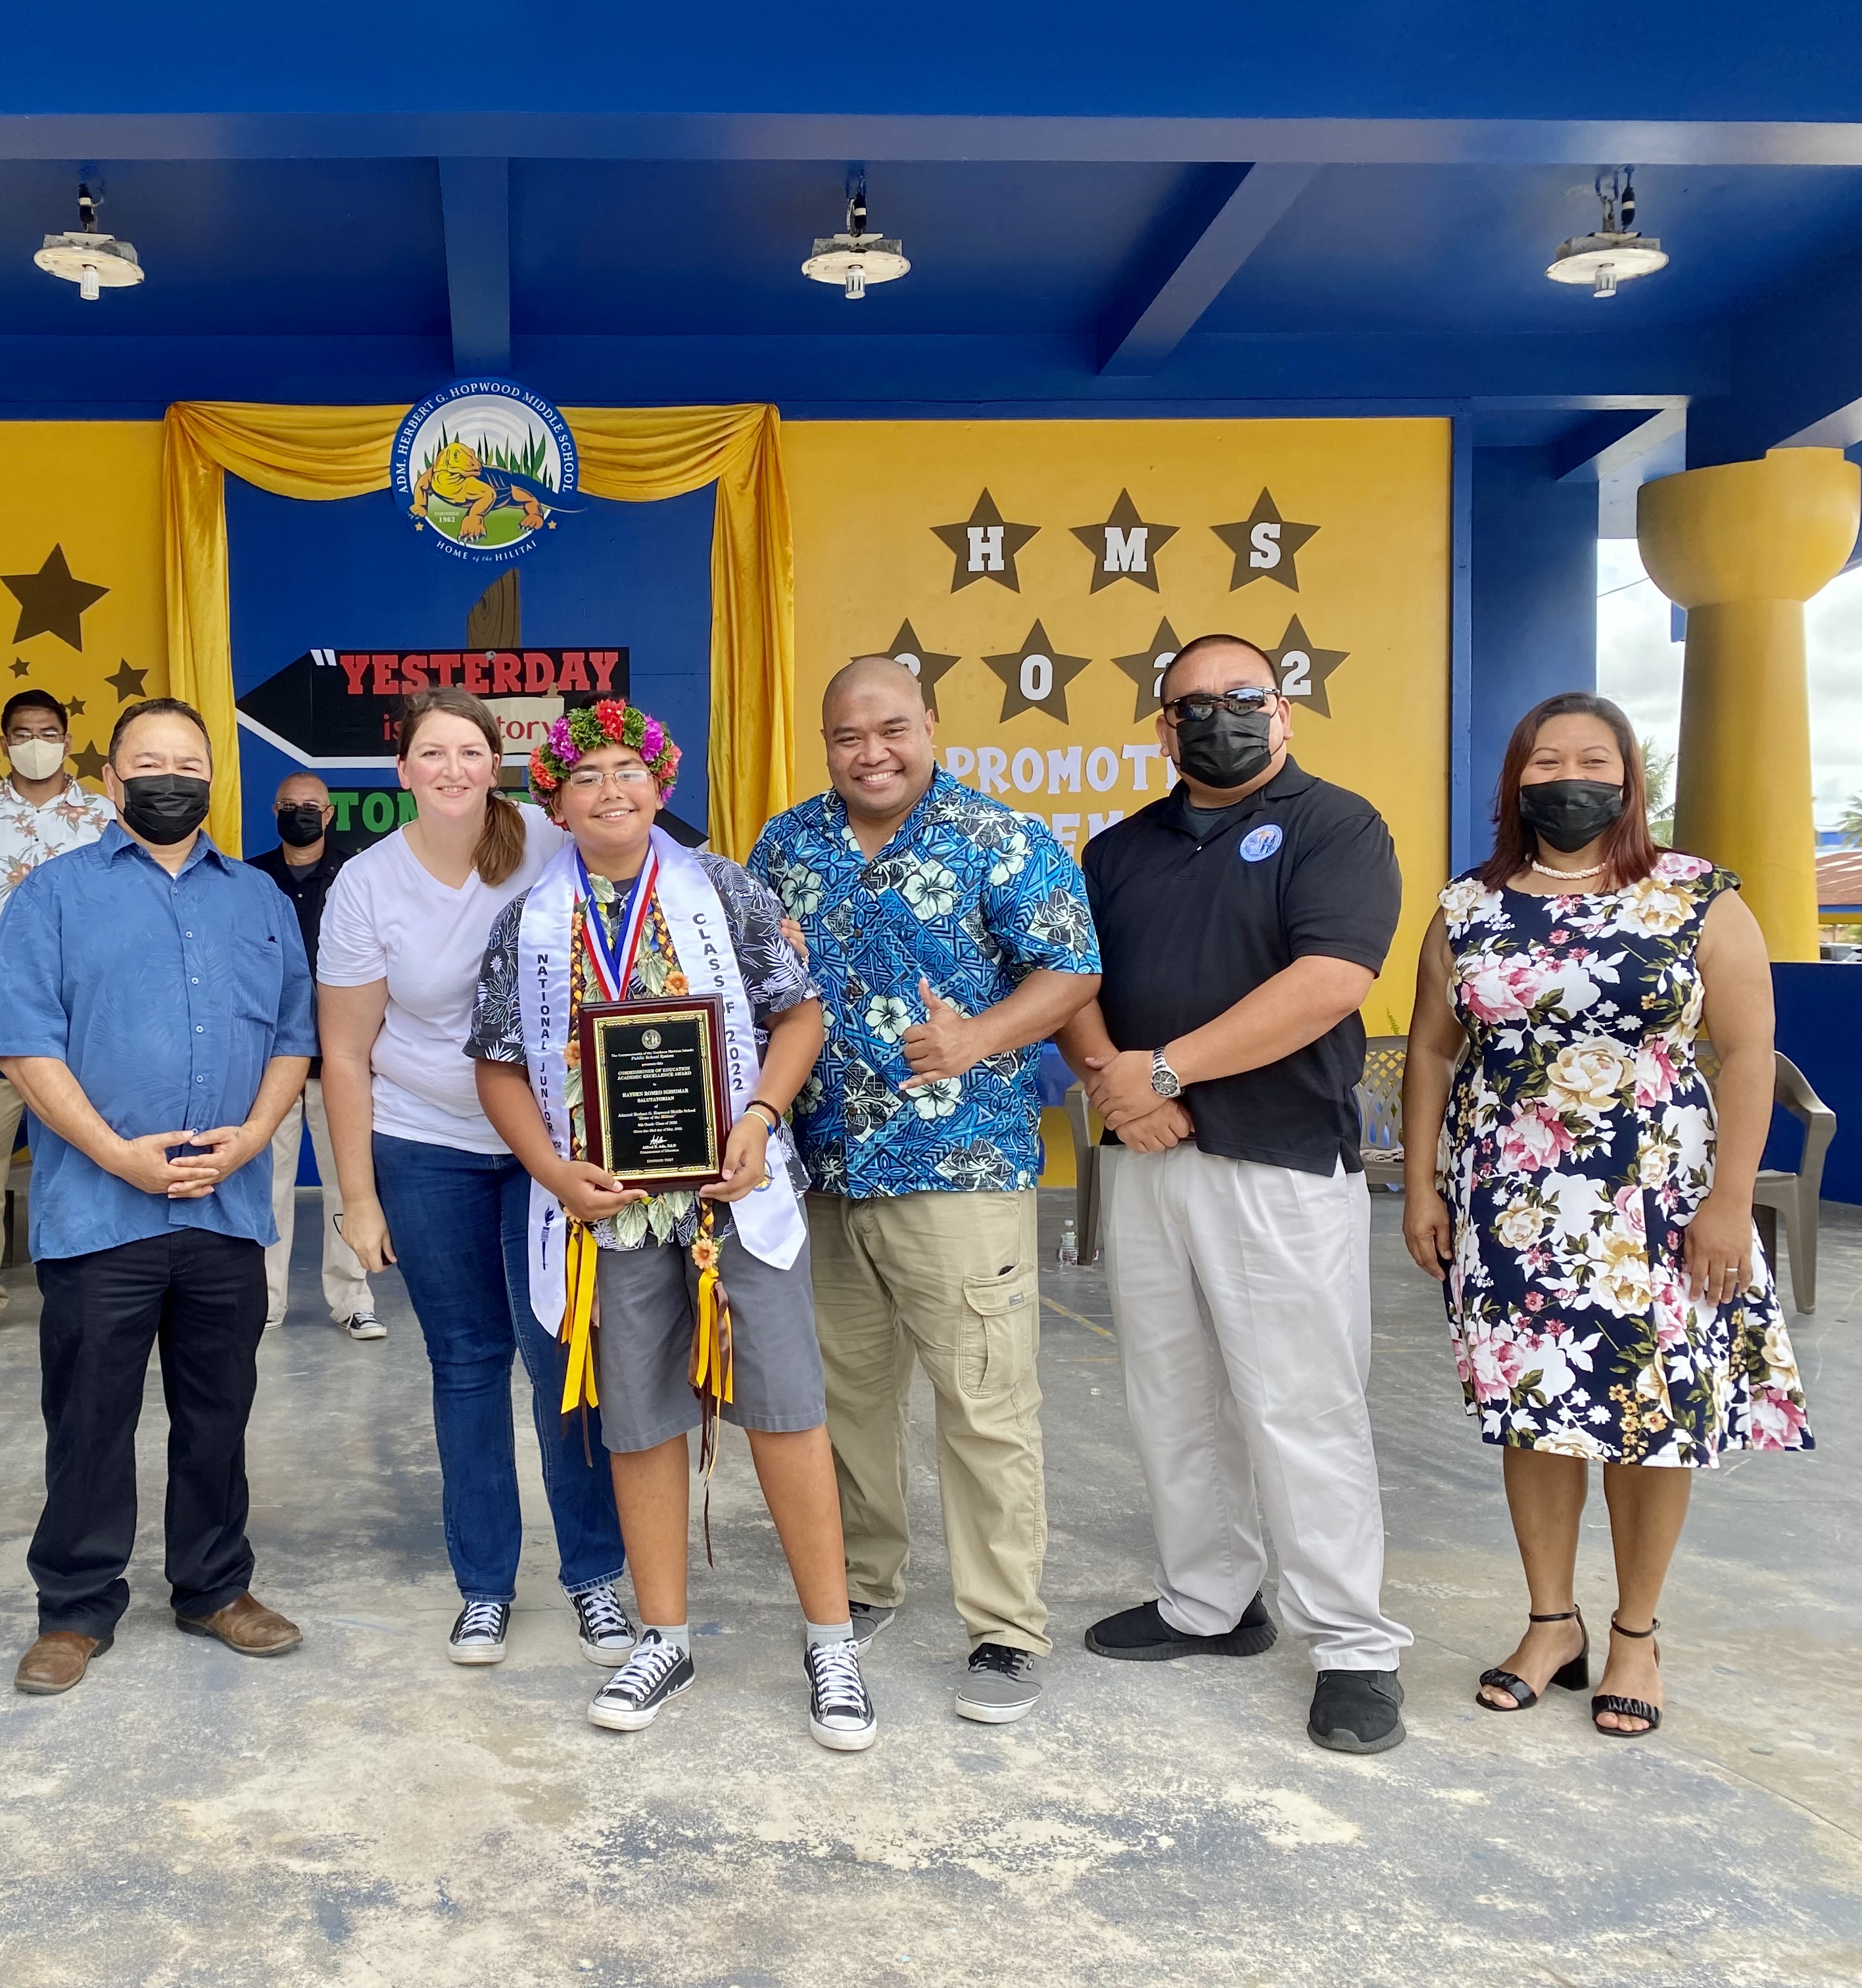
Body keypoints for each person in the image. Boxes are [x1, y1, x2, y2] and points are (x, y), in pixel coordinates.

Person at [1400, 692, 1810, 1738]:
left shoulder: (1697, 898)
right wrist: (1421, 1185)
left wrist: (1729, 1206)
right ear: (1516, 781)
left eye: (1593, 758)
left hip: (1658, 1206)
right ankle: (1552, 1622)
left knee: (1647, 1418)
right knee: (1533, 1413)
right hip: (1512, 1205)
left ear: (1629, 778)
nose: (1568, 776)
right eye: (1546, 760)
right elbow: (1434, 1051)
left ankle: (1635, 1632)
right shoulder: (1470, 906)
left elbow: (1749, 1053)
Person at [470, 698, 871, 1751]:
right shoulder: (528, 921)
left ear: (661, 783)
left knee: (787, 1407)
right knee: (637, 1417)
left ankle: (830, 1640)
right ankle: (664, 1635)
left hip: (734, 1193)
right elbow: (499, 1065)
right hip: (607, 1211)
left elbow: (799, 1014)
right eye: (585, 775)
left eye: (626, 770)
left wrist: (760, 1117)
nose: (610, 790)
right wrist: (554, 1170)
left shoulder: (725, 890)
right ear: (552, 801)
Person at [1057, 631, 1413, 1755]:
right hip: (1150, 1159)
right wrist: (1121, 1093)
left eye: (1238, 697)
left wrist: (1166, 1069)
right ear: (1162, 728)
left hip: (1275, 1160)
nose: (1216, 716)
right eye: (1190, 705)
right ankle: (1208, 1600)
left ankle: (1353, 1642)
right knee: (1172, 1393)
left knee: (1299, 1403)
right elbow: (1070, 977)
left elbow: (1327, 982)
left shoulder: (1335, 825)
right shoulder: (1115, 851)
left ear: (1284, 710)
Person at [751, 657, 1101, 1726]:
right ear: (826, 743)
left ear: (930, 726)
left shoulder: (1000, 837)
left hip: (959, 1168)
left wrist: (976, 1037)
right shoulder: (786, 844)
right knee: (846, 1398)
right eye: (849, 735)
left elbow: (1073, 966)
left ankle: (1003, 1628)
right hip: (824, 1169)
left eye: (891, 729)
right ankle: (864, 1580)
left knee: (982, 1403)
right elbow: (758, 979)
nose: (872, 752)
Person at [0, 698, 312, 1699]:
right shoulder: (54, 897)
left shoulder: (257, 901)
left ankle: (213, 1587)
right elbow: (25, 1045)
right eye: (148, 762)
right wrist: (120, 1156)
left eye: (188, 763)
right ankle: (73, 1609)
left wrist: (251, 1139)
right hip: (100, 1209)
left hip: (225, 1206)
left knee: (219, 1412)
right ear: (111, 781)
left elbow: (293, 1036)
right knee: (88, 1416)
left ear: (212, 781)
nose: (169, 778)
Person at [320, 689, 631, 1668]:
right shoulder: (367, 886)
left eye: (471, 752)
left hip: (552, 1150)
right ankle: (486, 1587)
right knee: (464, 1363)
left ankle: (595, 1578)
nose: (453, 769)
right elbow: (344, 1053)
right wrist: (358, 1199)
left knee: (562, 1364)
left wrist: (767, 932)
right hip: (426, 1144)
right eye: (432, 754)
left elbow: (659, 878)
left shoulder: (548, 839)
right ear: (402, 771)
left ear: (496, 764)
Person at [0, 690, 115, 1350]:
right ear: (3, 741)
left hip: (85, 1021)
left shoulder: (103, 814)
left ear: (69, 738)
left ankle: (84, 1283)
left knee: (85, 1151)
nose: (36, 741)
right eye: (22, 732)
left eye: (49, 731)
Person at [251, 768, 380, 1340]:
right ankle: (264, 1303)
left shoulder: (359, 877)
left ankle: (353, 1299)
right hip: (272, 1059)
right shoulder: (248, 880)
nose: (300, 813)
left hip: (342, 1060)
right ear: (274, 811)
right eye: (289, 804)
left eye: (312, 806)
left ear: (329, 815)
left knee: (346, 1182)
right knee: (268, 1185)